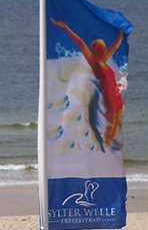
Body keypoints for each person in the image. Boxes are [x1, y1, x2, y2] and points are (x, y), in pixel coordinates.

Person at [51, 19, 124, 147]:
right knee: (110, 123)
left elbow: (114, 47)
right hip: (108, 98)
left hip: (116, 96)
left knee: (116, 122)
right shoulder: (95, 63)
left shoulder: (104, 61)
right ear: (97, 51)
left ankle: (108, 145)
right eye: (102, 48)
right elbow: (80, 43)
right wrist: (66, 28)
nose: (105, 49)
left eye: (105, 47)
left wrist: (121, 35)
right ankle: (105, 145)